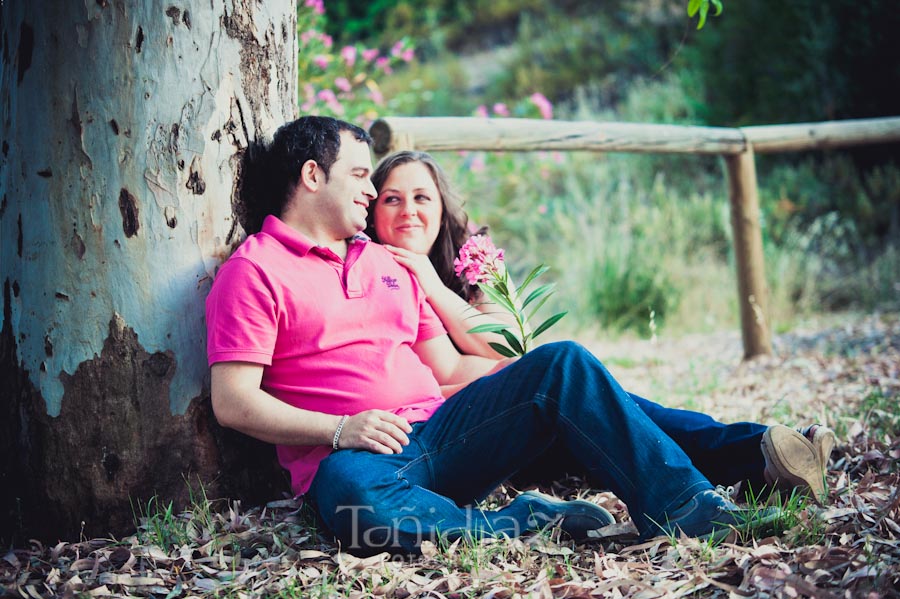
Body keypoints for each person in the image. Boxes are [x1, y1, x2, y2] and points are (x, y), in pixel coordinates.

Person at [207, 116, 787, 557]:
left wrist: (509, 381)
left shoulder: (386, 262)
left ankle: (689, 505)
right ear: (313, 175)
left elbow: (445, 362)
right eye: (361, 175)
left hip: (442, 429)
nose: (368, 189)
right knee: (357, 510)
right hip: (351, 458)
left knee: (563, 363)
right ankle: (526, 521)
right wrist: (340, 429)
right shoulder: (256, 270)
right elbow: (234, 401)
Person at [365, 149, 836, 501]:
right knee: (629, 416)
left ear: (442, 207)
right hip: (492, 432)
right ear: (373, 211)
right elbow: (462, 370)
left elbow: (508, 348)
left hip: (529, 403)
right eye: (392, 199)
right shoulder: (381, 277)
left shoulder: (466, 259)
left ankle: (769, 457)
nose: (409, 210)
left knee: (639, 418)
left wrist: (434, 284)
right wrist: (503, 374)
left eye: (422, 196)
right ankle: (769, 452)